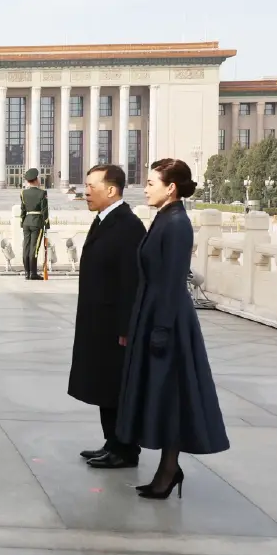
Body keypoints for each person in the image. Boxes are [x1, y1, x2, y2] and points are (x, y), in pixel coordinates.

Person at [116, 158, 230, 499]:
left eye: (151, 183)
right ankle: (168, 468)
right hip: (154, 313)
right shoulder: (165, 218)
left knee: (172, 395)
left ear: (171, 187)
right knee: (162, 395)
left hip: (168, 319)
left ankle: (168, 470)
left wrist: (162, 328)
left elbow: (172, 280)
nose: (146, 188)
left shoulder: (178, 223)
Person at [67, 164, 147, 469]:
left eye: (91, 186)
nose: (85, 192)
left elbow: (131, 281)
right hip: (99, 322)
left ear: (111, 190)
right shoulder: (105, 221)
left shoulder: (126, 226)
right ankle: (111, 442)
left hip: (116, 326)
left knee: (117, 387)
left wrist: (126, 325)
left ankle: (126, 449)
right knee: (104, 385)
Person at [19, 167, 49, 280]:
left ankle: (27, 272)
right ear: (36, 180)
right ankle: (33, 273)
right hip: (37, 222)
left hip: (26, 221)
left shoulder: (23, 193)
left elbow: (22, 210)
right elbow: (44, 210)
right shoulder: (42, 193)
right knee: (34, 248)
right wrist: (46, 224)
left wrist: (22, 222)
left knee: (26, 247)